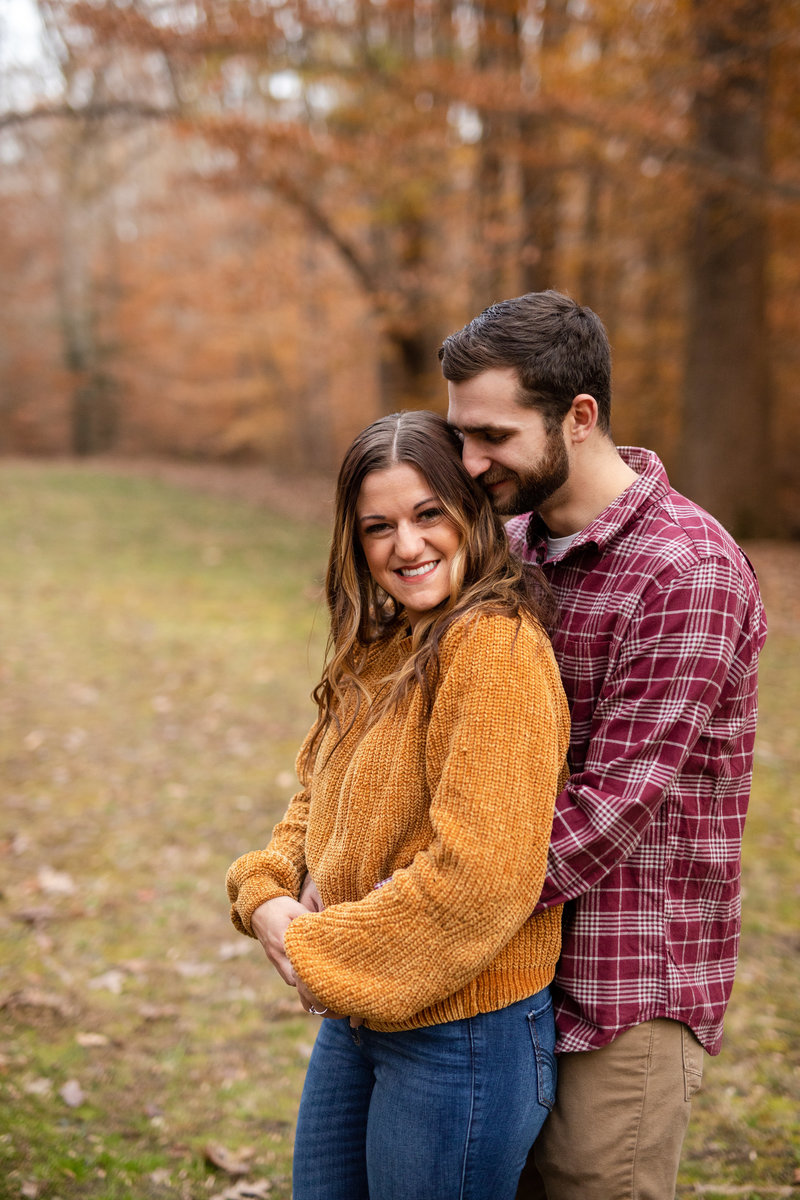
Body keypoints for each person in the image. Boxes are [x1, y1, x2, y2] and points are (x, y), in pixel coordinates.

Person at [439, 289, 768, 1200]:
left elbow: (610, 809)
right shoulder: (503, 547)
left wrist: (433, 910)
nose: (468, 462)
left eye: (494, 437)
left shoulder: (686, 570)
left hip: (620, 987)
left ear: (579, 417)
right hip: (501, 970)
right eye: (460, 434)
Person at [225, 410, 571, 1200]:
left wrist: (312, 949)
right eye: (378, 526)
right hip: (361, 1011)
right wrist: (268, 892)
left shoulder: (496, 648)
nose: (405, 547)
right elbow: (314, 799)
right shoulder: (384, 644)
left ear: (471, 512)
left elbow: (481, 879)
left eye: (427, 515)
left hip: (463, 1031)